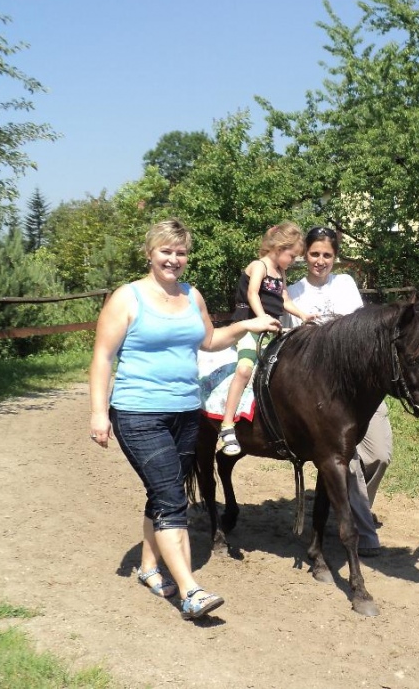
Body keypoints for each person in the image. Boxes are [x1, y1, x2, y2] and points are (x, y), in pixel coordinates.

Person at [89, 219, 280, 620]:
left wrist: (246, 324)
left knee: (165, 490)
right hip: (138, 413)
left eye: (180, 252)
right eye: (166, 251)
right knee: (173, 498)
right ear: (150, 253)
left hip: (186, 411)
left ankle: (148, 568)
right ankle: (191, 590)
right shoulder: (127, 298)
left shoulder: (192, 296)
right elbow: (103, 357)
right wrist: (98, 412)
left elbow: (209, 341)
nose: (173, 259)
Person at [284, 225, 393, 556]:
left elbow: (360, 333)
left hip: (358, 386)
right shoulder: (292, 292)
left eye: (327, 255)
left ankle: (345, 503)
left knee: (379, 454)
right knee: (345, 459)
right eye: (314, 254)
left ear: (335, 257)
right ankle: (361, 527)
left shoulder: (345, 284)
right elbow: (291, 343)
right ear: (304, 255)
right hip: (320, 393)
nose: (320, 260)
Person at [217, 222, 314, 456]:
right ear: (280, 248)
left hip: (269, 329)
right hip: (248, 327)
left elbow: (285, 300)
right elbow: (252, 293)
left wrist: (303, 315)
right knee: (244, 369)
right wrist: (261, 318)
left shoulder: (280, 272)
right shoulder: (258, 266)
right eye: (292, 256)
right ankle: (227, 424)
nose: (293, 261)